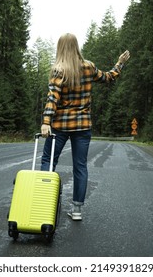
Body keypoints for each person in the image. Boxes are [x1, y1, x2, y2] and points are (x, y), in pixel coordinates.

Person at [40, 33, 130, 221]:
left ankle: (44, 204)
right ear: (76, 47)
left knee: (48, 162)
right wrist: (120, 63)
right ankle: (77, 210)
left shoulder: (59, 70)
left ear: (60, 48)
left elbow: (52, 98)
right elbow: (108, 77)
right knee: (80, 166)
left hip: (60, 126)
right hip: (82, 126)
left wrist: (46, 122)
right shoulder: (88, 67)